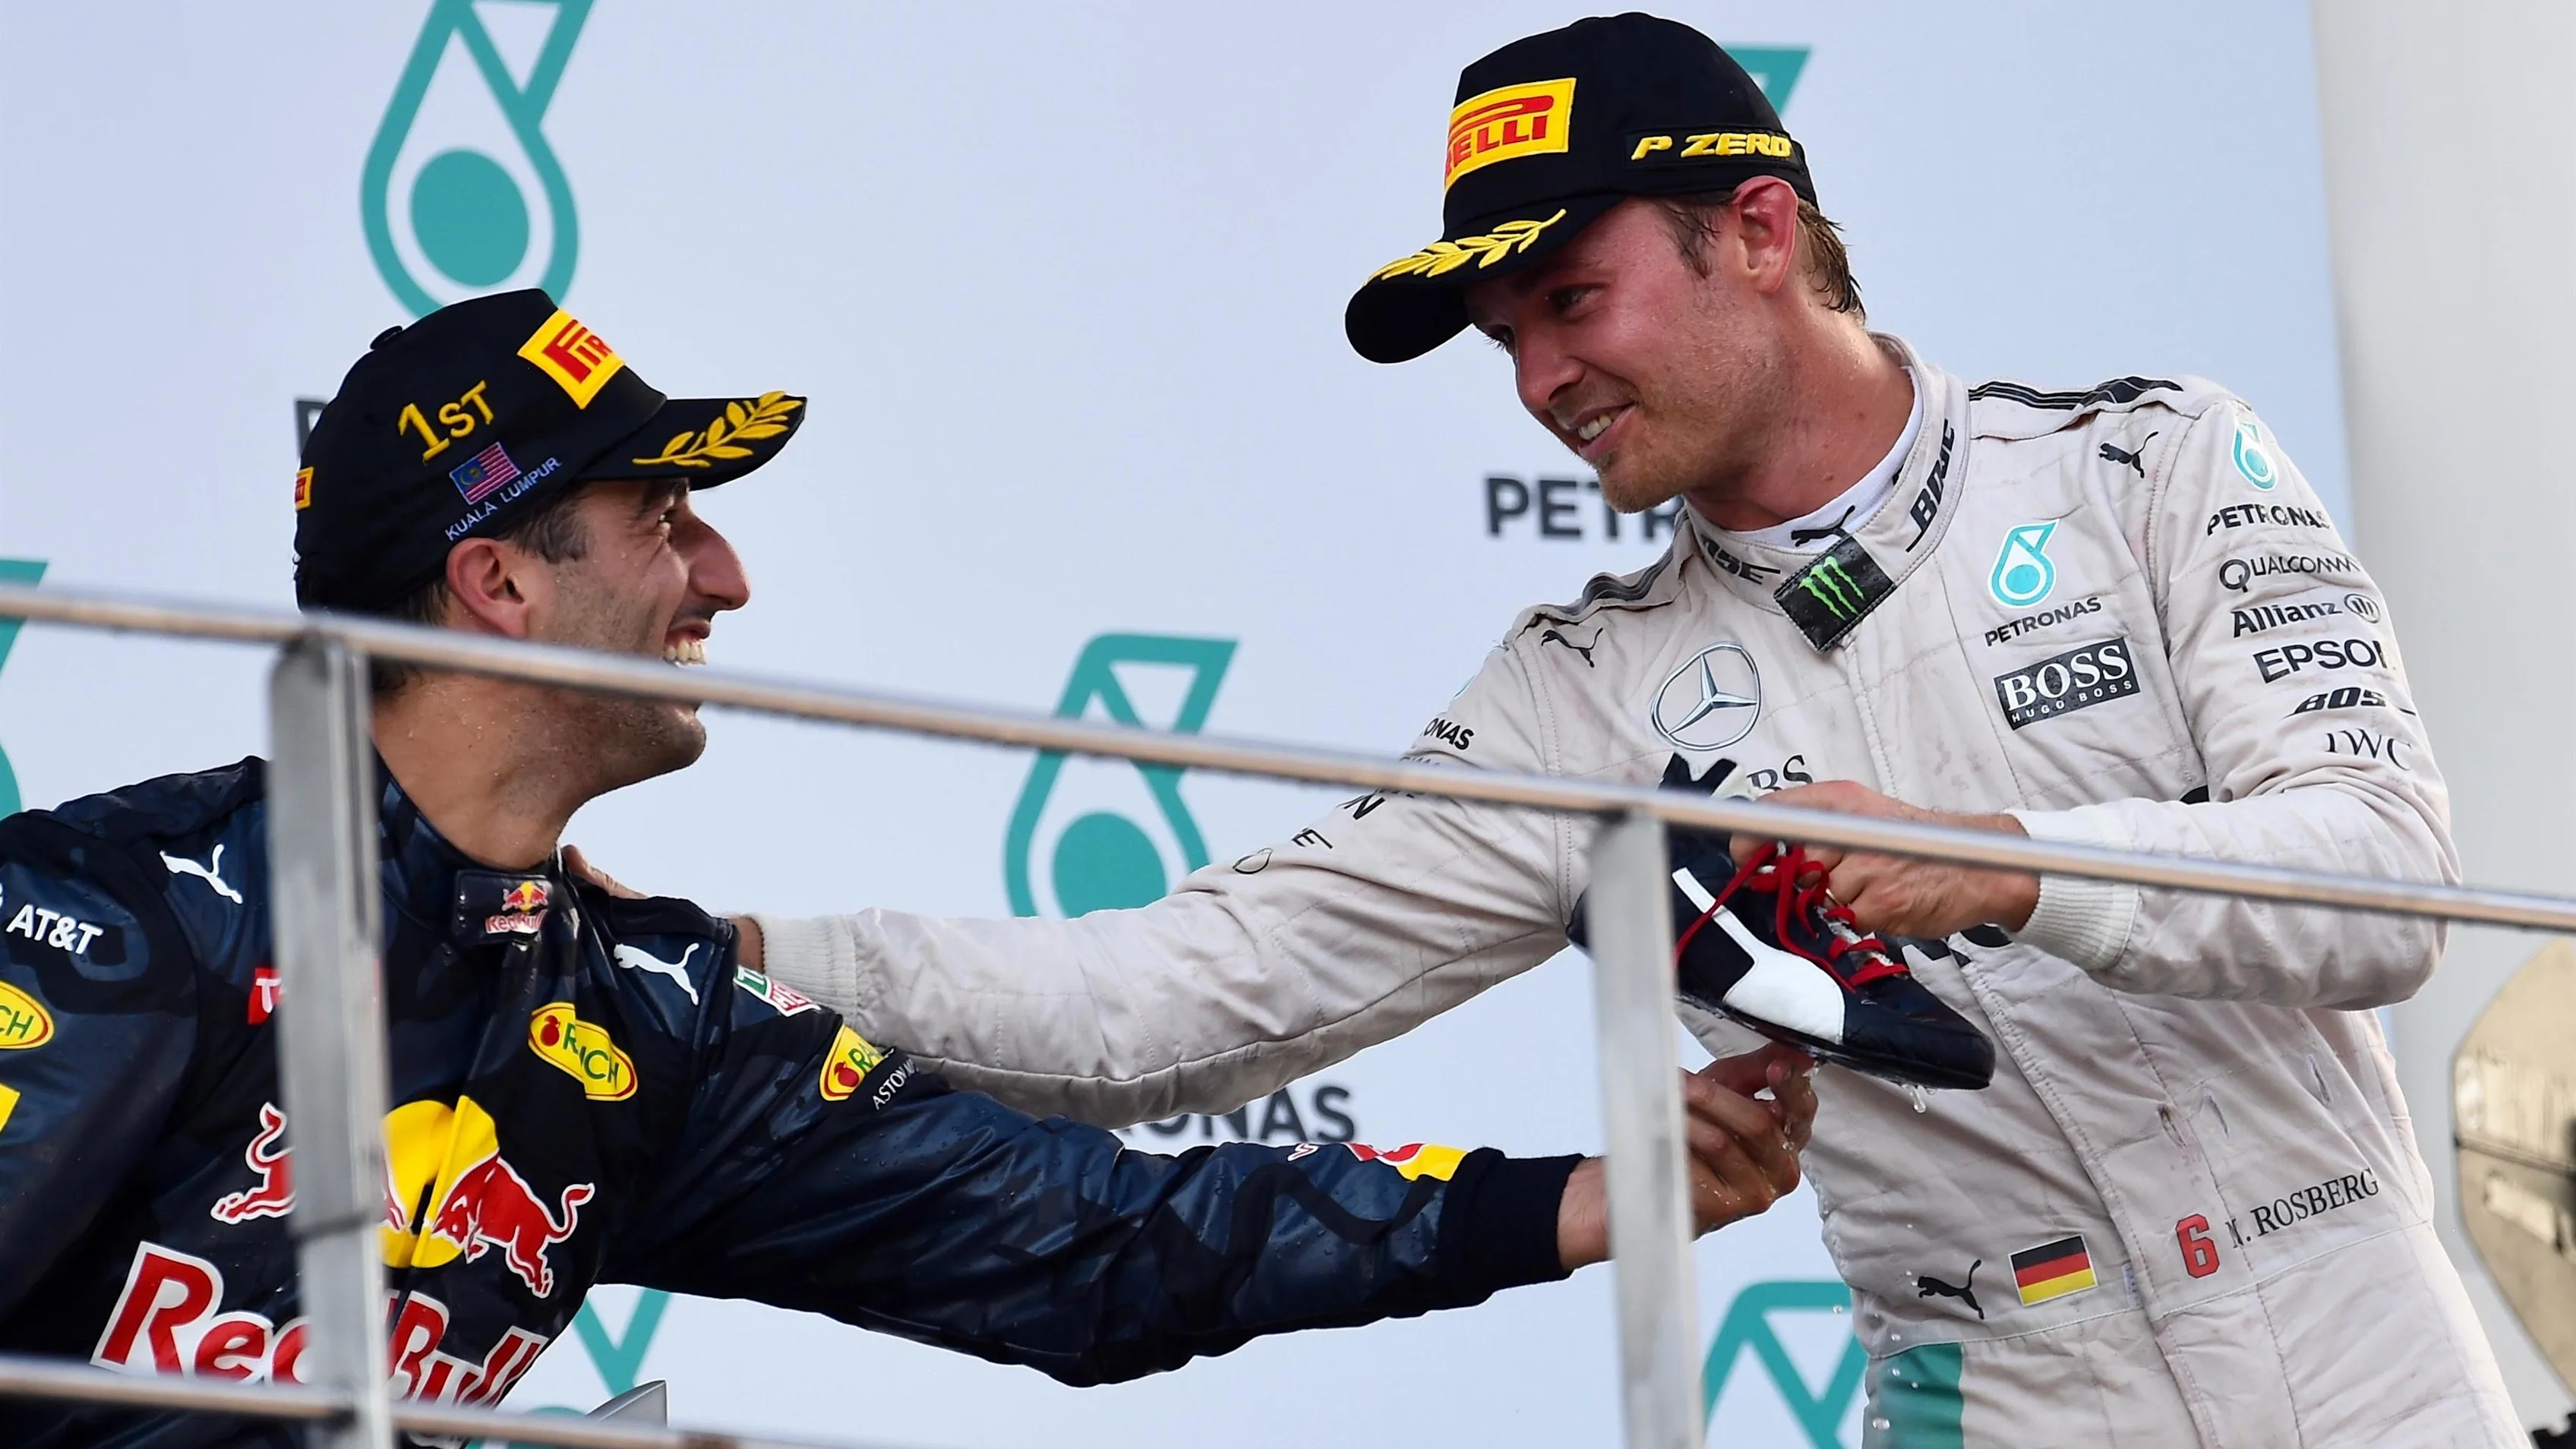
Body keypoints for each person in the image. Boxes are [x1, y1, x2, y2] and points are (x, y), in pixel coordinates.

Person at [727, 16, 2521, 1444]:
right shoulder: (1573, 700)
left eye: (1569, 303)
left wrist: (2012, 871)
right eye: (1503, 337)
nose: (1534, 383)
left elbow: (2389, 890)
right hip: (1995, 1393)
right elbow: (1173, 1010)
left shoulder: (2152, 464)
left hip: (2368, 1364)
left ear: (1756, 232)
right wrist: (725, 959)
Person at [0, 289, 1817, 1447]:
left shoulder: (642, 1021)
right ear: (498, 582)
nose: (724, 582)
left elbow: (1093, 1247)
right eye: (667, 523)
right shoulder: (130, 916)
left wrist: (1585, 1196)